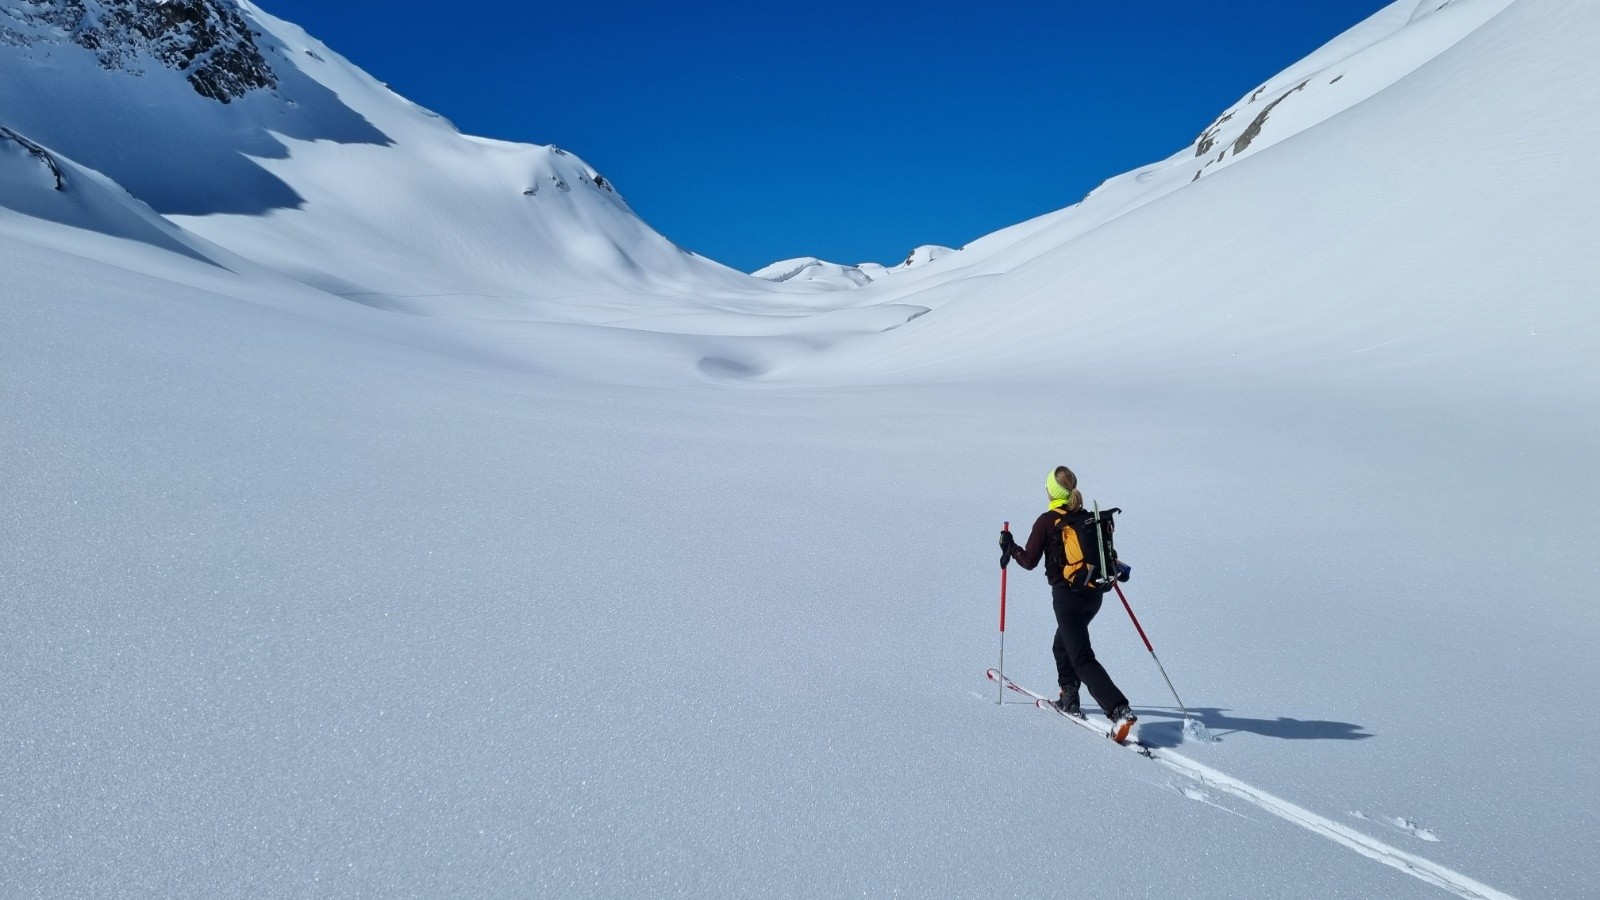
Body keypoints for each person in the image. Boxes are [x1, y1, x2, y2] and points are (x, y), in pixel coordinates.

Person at [1000, 466, 1138, 742]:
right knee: (1061, 644)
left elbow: (1028, 561)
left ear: (1052, 491)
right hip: (1093, 594)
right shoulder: (1086, 517)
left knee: (1082, 657)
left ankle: (1119, 710)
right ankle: (1070, 695)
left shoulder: (1047, 520)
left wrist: (1010, 546)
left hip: (1067, 599)